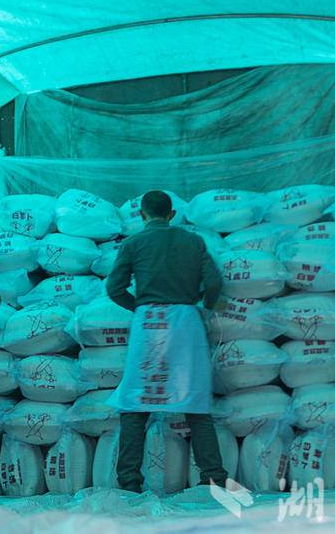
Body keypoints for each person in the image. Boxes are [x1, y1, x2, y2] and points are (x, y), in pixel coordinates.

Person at [105, 190, 228, 492]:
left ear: (142, 215)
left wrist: (139, 306)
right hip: (186, 322)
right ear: (172, 214)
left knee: (136, 404)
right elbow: (213, 283)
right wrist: (207, 303)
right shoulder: (193, 241)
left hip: (149, 324)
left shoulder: (134, 243)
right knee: (195, 404)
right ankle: (214, 479)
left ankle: (130, 483)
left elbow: (114, 287)